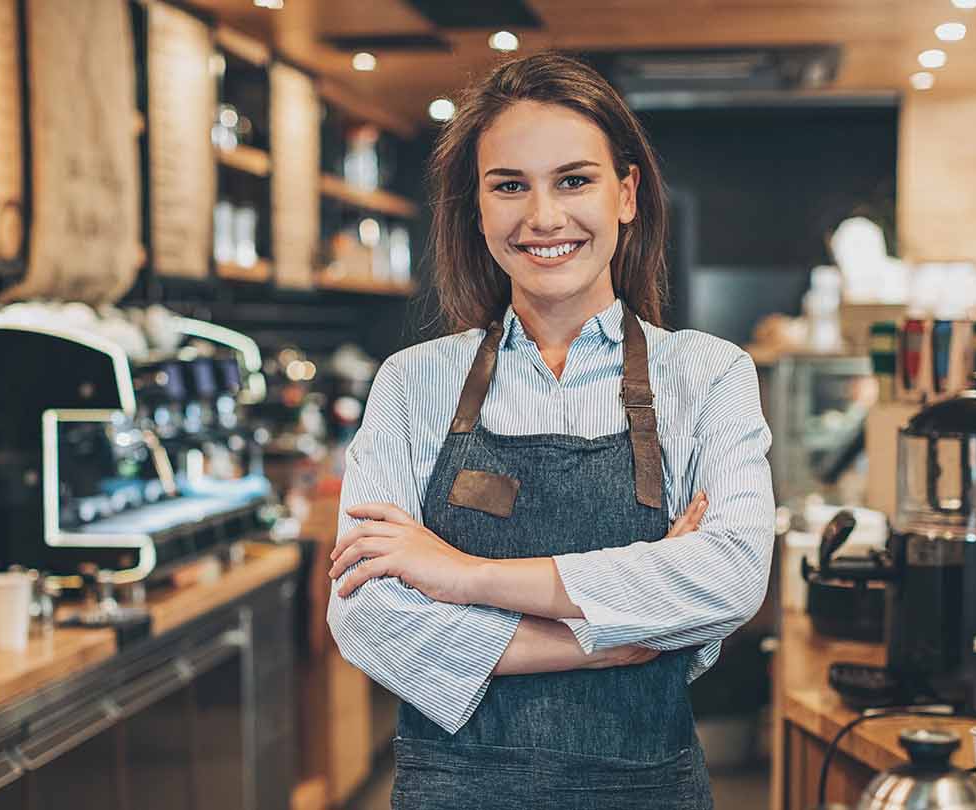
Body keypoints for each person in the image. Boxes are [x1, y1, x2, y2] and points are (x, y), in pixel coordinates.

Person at [325, 52, 774, 809]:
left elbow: (727, 576)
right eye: (509, 186)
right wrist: (607, 639)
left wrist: (464, 576)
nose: (543, 218)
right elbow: (366, 612)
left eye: (574, 180)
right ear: (477, 207)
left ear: (626, 193)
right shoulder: (412, 382)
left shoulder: (708, 375)